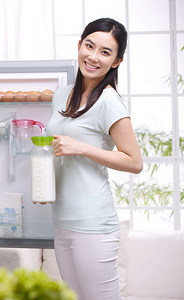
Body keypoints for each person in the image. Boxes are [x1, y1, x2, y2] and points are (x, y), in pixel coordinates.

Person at [46, 18, 143, 300]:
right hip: (63, 218)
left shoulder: (109, 101)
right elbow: (59, 151)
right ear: (79, 45)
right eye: (89, 46)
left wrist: (82, 148)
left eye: (105, 52)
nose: (93, 57)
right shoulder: (61, 95)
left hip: (94, 224)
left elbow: (134, 162)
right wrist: (45, 185)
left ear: (116, 61)